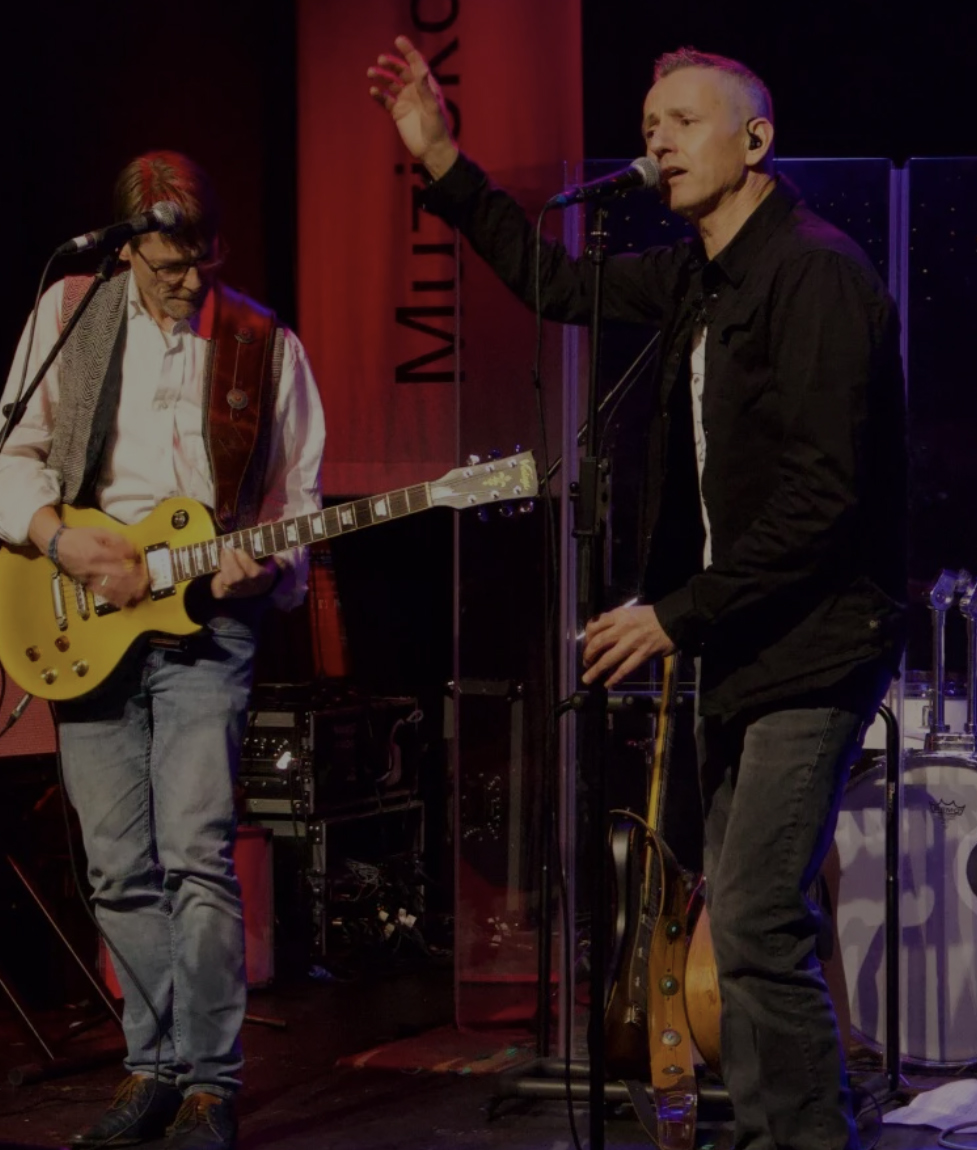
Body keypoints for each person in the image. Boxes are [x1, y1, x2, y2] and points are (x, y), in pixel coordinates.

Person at [368, 38, 905, 1150]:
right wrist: (439, 156)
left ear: (756, 140)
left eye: (683, 121)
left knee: (755, 919)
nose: (657, 141)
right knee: (745, 926)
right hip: (739, 647)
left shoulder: (816, 274)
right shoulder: (699, 275)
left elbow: (825, 499)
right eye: (649, 124)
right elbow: (558, 282)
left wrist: (674, 614)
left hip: (815, 645)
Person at [0, 151, 326, 1150]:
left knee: (195, 853)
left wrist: (267, 568)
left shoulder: (266, 345)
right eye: (165, 265)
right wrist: (61, 539)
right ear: (127, 252)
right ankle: (154, 1063)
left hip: (207, 621)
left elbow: (298, 502)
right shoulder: (67, 311)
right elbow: (12, 454)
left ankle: (210, 1085)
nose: (186, 281)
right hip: (86, 609)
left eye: (200, 260)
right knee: (114, 866)